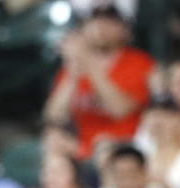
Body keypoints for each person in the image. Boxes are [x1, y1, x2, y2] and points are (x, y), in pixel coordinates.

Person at [43, 3, 156, 161]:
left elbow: (120, 110)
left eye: (110, 21)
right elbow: (53, 115)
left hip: (125, 151)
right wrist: (72, 77)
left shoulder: (139, 63)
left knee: (104, 148)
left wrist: (89, 63)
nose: (101, 26)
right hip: (83, 151)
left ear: (125, 29)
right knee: (52, 140)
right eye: (95, 20)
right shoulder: (75, 65)